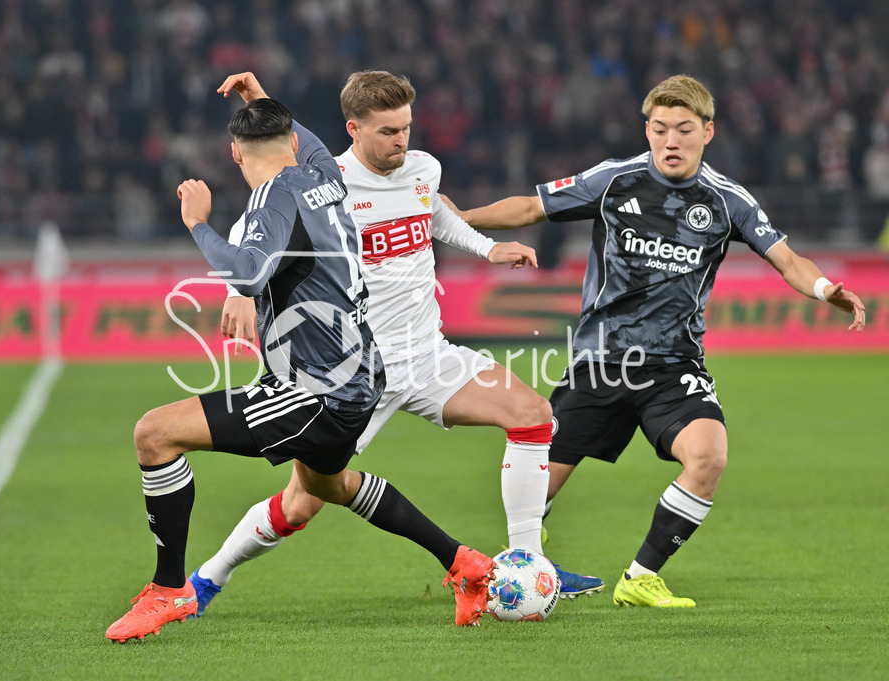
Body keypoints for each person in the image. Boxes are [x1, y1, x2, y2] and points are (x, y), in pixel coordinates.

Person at [186, 71, 604, 619]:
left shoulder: (423, 169)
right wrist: (238, 295)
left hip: (428, 354)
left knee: (532, 415)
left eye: (406, 127)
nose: (401, 140)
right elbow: (253, 229)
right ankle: (206, 579)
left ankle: (530, 564)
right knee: (302, 501)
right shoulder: (324, 182)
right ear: (354, 130)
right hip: (354, 370)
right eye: (387, 131)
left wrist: (488, 248)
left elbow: (435, 215)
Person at [455, 74, 866, 607]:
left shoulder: (727, 200)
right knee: (534, 488)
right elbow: (532, 207)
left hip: (675, 365)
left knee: (708, 456)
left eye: (684, 130)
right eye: (660, 129)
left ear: (708, 132)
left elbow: (786, 258)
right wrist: (458, 221)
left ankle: (640, 577)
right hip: (603, 360)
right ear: (647, 129)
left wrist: (825, 288)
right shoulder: (614, 180)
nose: (671, 141)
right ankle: (527, 564)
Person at [105, 87, 496, 642]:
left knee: (154, 434)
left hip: (316, 390)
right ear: (292, 141)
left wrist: (197, 222)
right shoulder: (325, 176)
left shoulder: (275, 198)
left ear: (234, 154)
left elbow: (248, 274)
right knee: (330, 487)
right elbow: (306, 141)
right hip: (360, 376)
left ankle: (169, 590)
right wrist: (260, 95)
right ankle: (464, 564)